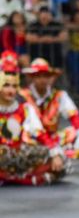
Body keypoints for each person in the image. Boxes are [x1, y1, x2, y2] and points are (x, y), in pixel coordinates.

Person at [0, 50, 65, 185]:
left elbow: (39, 132)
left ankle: (11, 178)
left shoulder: (24, 108)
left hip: (17, 155)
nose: (11, 90)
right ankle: (26, 178)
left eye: (14, 86)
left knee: (62, 163)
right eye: (6, 85)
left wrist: (55, 153)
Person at [19, 58, 79, 159]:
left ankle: (54, 151)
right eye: (38, 76)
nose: (42, 80)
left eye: (46, 76)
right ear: (32, 78)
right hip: (31, 137)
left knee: (74, 132)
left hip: (52, 137)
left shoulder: (59, 96)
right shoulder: (23, 96)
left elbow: (74, 117)